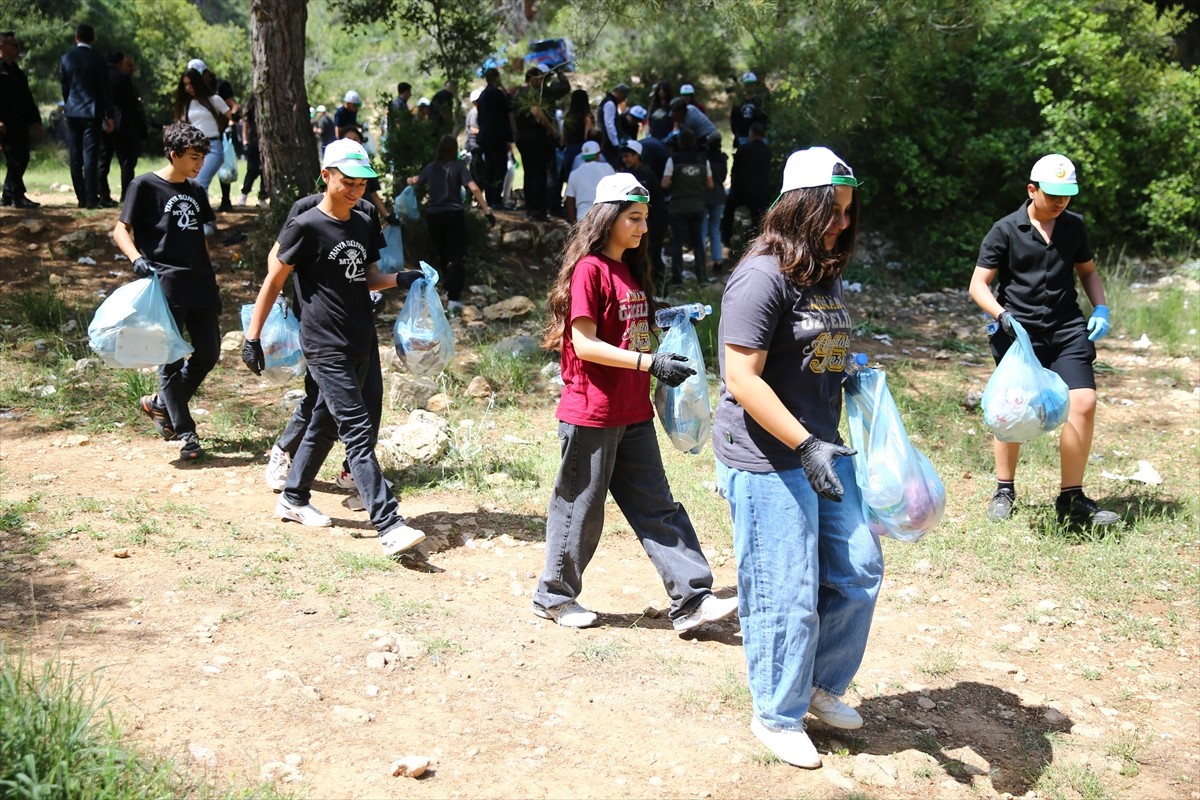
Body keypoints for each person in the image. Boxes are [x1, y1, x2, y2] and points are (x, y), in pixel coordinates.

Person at [714, 146, 880, 769]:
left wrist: (853, 377)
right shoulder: (761, 276)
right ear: (799, 208)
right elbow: (743, 377)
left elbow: (819, 351)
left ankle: (818, 683)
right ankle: (777, 715)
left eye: (846, 212)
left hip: (823, 447)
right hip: (768, 456)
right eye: (831, 212)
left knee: (858, 569)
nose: (841, 223)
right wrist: (803, 442)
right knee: (785, 589)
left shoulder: (823, 271)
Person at [533, 172, 739, 633]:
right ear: (608, 218)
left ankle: (692, 600)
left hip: (633, 412)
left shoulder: (628, 269)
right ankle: (554, 597)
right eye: (634, 218)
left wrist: (671, 324)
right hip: (593, 412)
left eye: (645, 218)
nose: (643, 228)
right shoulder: (590, 269)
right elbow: (584, 344)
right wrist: (650, 363)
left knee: (658, 506)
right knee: (579, 509)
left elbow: (630, 333)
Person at [242, 138, 426, 556]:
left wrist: (400, 279)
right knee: (357, 432)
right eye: (347, 181)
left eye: (362, 183)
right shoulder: (305, 225)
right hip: (324, 344)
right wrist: (252, 337)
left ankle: (292, 499)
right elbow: (274, 281)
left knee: (324, 422)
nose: (356, 190)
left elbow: (367, 276)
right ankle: (389, 523)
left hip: (361, 337)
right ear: (326, 176)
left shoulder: (363, 221)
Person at [968, 154, 1119, 529]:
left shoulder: (1073, 227)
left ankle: (1072, 497)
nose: (1060, 202)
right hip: (1018, 331)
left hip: (1067, 327)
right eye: (1052, 194)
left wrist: (1100, 308)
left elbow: (1087, 271)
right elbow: (978, 285)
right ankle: (1004, 489)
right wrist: (1001, 315)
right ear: (1031, 189)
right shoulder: (1005, 230)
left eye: (1067, 195)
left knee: (1083, 401)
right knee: (1012, 408)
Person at [113, 123, 220, 461]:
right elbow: (121, 230)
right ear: (174, 155)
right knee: (170, 360)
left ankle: (160, 404)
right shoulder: (143, 185)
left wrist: (210, 272)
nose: (199, 164)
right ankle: (186, 434)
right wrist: (136, 259)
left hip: (200, 283)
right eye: (193, 157)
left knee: (208, 353)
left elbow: (199, 237)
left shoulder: (195, 190)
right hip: (166, 285)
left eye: (202, 157)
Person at [407, 134, 496, 311]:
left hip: (434, 216)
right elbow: (474, 188)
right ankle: (454, 298)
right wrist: (487, 210)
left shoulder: (431, 168)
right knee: (456, 256)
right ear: (454, 149)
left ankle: (446, 289)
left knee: (442, 254)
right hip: (453, 215)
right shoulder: (459, 167)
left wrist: (408, 180)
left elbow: (417, 180)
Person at [60, 23, 114, 209]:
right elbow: (105, 89)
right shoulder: (97, 59)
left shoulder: (66, 58)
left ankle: (81, 197)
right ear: (93, 38)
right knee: (90, 154)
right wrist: (110, 114)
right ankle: (92, 198)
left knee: (75, 155)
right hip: (92, 111)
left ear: (76, 37)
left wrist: (69, 105)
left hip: (73, 111)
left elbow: (65, 87)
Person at [662, 129, 712, 283]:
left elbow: (664, 183)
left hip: (678, 207)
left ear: (679, 142)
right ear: (695, 142)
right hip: (697, 207)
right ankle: (702, 277)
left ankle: (677, 279)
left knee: (677, 242)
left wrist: (675, 184)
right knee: (698, 242)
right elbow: (710, 184)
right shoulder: (703, 160)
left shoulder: (673, 160)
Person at [171, 67, 230, 198]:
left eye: (190, 84)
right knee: (192, 184)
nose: (188, 88)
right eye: (185, 84)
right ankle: (200, 216)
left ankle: (203, 217)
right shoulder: (186, 104)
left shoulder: (214, 99)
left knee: (200, 183)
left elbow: (233, 116)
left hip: (213, 146)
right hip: (193, 148)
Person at [0, 30, 42, 209]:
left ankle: (8, 194)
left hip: (21, 123)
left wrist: (36, 120)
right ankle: (17, 196)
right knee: (14, 159)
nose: (18, 49)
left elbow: (27, 98)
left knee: (22, 157)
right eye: (14, 45)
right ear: (2, 47)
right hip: (5, 124)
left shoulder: (17, 72)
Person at [511, 66, 557, 222]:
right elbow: (537, 113)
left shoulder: (517, 93)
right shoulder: (529, 93)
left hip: (522, 137)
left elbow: (511, 115)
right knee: (538, 173)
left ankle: (530, 208)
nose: (542, 81)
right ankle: (539, 210)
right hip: (534, 137)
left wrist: (516, 132)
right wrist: (552, 130)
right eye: (540, 78)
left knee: (529, 173)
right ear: (532, 78)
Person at [619, 140, 666, 284]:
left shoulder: (644, 174)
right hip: (645, 222)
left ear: (637, 156)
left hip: (654, 223)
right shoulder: (633, 173)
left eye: (628, 156)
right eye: (624, 156)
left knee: (652, 255)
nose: (625, 159)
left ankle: (658, 284)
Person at [98, 51, 142, 205]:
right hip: (122, 122)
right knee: (126, 161)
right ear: (120, 61)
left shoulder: (100, 77)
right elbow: (131, 100)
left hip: (104, 122)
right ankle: (126, 195)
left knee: (103, 160)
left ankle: (103, 195)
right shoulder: (122, 78)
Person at [722, 122, 771, 245]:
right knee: (760, 219)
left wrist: (733, 188)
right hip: (761, 192)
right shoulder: (767, 151)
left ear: (751, 133)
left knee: (728, 210)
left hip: (742, 191)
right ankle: (759, 243)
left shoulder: (743, 149)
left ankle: (725, 238)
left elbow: (734, 171)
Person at [476, 68, 512, 209]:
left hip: (485, 137)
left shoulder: (482, 96)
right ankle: (496, 200)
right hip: (497, 136)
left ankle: (490, 199)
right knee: (500, 168)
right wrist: (504, 89)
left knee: (490, 168)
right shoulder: (497, 94)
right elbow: (509, 106)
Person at [564, 141, 614, 223]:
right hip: (604, 217)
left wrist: (573, 224)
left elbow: (569, 201)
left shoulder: (574, 174)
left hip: (583, 218)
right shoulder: (608, 168)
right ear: (598, 155)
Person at [705, 134, 729, 276]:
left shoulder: (703, 157)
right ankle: (717, 262)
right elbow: (725, 177)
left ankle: (700, 262)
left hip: (704, 195)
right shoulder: (723, 158)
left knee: (702, 230)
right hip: (719, 195)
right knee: (715, 229)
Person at [559, 88, 593, 186]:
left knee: (571, 180)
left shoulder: (568, 117)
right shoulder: (587, 117)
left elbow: (563, 138)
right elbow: (587, 137)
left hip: (569, 150)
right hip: (581, 151)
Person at [730, 71, 768, 149]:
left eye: (751, 85)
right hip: (743, 136)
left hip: (759, 137)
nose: (749, 87)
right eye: (747, 85)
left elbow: (765, 118)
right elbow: (734, 119)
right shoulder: (739, 102)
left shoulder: (760, 101)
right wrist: (737, 134)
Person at [238, 93, 263, 206]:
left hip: (265, 144)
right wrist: (245, 142)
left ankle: (262, 197)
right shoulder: (251, 108)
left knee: (264, 173)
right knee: (252, 170)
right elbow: (245, 126)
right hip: (253, 143)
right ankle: (244, 195)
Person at [597, 82, 629, 167]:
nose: (624, 99)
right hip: (609, 143)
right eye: (624, 96)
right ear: (619, 93)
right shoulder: (610, 104)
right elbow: (609, 125)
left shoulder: (607, 101)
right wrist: (615, 143)